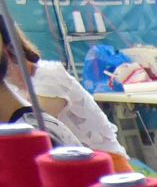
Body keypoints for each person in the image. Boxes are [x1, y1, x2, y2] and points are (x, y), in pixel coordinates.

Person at [0, 22, 124, 164]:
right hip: (71, 164)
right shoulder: (12, 89)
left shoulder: (49, 76)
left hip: (104, 165)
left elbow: (32, 131)